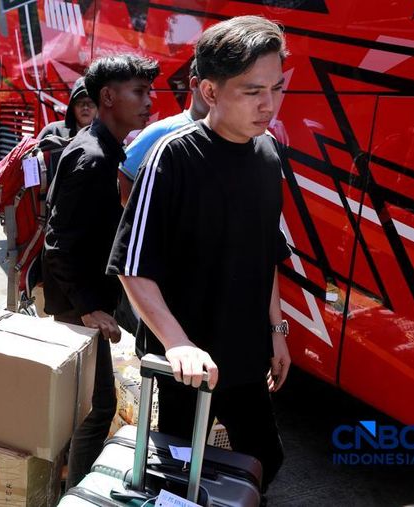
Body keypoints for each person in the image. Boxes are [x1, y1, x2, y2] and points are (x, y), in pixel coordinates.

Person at [106, 15, 291, 493]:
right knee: (178, 477)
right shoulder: (172, 157)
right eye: (252, 91)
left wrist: (277, 330)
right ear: (209, 91)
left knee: (265, 459)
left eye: (276, 88)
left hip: (248, 356)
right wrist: (178, 344)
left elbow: (266, 253)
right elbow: (133, 267)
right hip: (186, 363)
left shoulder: (269, 154)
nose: (268, 105)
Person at [42, 55, 159, 488]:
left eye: (149, 91)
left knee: (88, 405)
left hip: (87, 300)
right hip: (79, 307)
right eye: (139, 92)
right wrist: (89, 308)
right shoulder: (94, 158)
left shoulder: (106, 147)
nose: (149, 102)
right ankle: (76, 493)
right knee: (96, 407)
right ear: (107, 97)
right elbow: (59, 243)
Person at [118, 59, 208, 205]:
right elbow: (124, 175)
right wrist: (141, 217)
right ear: (195, 84)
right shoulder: (162, 130)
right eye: (211, 87)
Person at [36, 77, 96, 181]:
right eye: (80, 103)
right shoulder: (52, 131)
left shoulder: (106, 137)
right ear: (72, 107)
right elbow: (30, 164)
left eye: (90, 103)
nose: (85, 107)